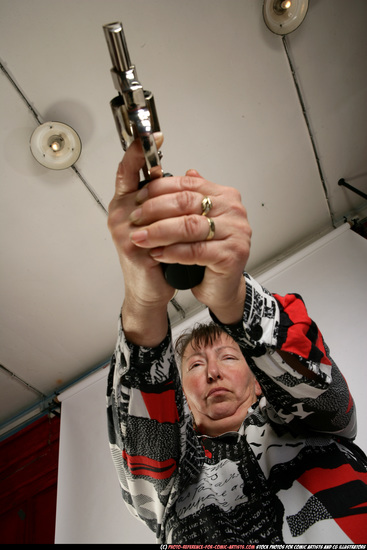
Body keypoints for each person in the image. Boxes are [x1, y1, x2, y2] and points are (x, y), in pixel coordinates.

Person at [106, 133, 367, 544]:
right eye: (194, 365)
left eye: (229, 358)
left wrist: (236, 301)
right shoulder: (168, 488)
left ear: (259, 375)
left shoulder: (316, 425)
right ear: (182, 398)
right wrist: (142, 303)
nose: (212, 372)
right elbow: (144, 452)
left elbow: (322, 392)